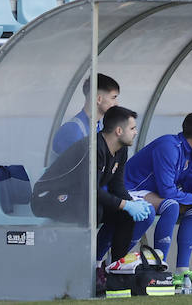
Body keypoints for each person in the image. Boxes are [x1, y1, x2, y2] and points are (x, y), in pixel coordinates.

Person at [33, 104, 152, 266]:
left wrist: (130, 204)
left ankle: (116, 268)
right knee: (93, 209)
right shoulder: (92, 148)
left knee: (125, 215)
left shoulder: (121, 150)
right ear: (119, 131)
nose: (136, 132)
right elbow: (91, 190)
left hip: (79, 196)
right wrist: (125, 204)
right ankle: (81, 267)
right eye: (132, 128)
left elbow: (116, 187)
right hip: (47, 197)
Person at [121, 110, 192, 283]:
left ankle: (182, 270)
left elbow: (191, 188)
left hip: (150, 193)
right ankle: (159, 267)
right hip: (131, 189)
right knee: (171, 205)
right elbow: (167, 191)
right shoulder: (169, 146)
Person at [51, 73, 120, 158]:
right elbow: (69, 168)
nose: (116, 103)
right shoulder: (73, 130)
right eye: (113, 98)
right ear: (99, 99)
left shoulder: (99, 127)